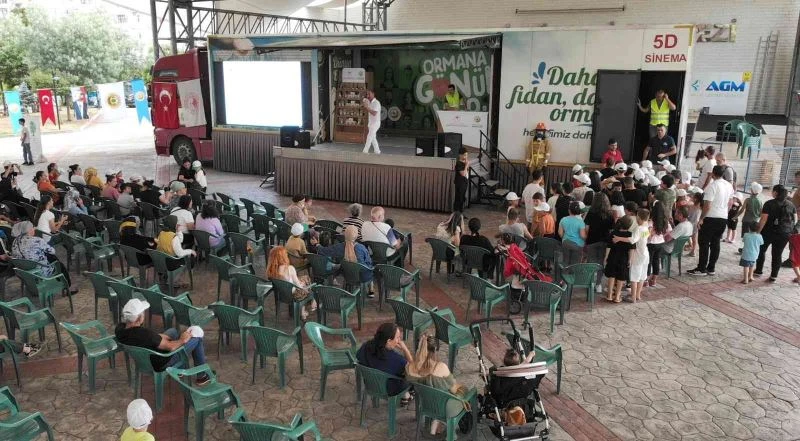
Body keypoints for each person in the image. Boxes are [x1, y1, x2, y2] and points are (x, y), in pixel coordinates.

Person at [115, 298, 211, 386]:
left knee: (172, 332)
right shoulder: (145, 334)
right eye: (143, 313)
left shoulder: (120, 329)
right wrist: (183, 339)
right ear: (139, 318)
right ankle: (202, 376)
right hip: (161, 361)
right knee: (197, 339)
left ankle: (180, 369)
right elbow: (171, 347)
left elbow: (153, 338)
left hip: (145, 357)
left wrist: (162, 338)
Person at [405, 334, 470, 436]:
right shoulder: (440, 367)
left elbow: (412, 369)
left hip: (427, 404)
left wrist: (404, 348)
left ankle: (437, 420)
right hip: (445, 408)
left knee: (441, 391)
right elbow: (453, 389)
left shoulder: (410, 368)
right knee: (464, 390)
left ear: (419, 347)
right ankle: (441, 420)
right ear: (435, 349)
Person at [689, 166, 734, 276]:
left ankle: (701, 268)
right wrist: (724, 213)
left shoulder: (712, 186)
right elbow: (730, 203)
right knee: (716, 243)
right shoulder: (729, 185)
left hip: (711, 218)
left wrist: (701, 219)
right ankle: (711, 268)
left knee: (704, 243)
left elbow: (707, 205)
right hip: (723, 217)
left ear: (713, 173)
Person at [11, 221, 77, 293]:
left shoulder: (15, 242)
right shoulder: (36, 240)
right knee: (58, 263)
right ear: (29, 230)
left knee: (48, 256)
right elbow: (52, 251)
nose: (34, 229)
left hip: (25, 273)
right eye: (32, 227)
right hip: (40, 272)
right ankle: (68, 287)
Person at [755, 185, 798, 282]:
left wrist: (757, 232)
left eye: (773, 191)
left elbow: (763, 220)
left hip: (768, 232)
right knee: (777, 254)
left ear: (775, 192)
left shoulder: (769, 204)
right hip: (784, 234)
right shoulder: (791, 205)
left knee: (761, 250)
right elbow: (795, 220)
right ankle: (773, 276)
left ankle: (758, 270)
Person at [266, 246, 316, 320]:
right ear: (283, 257)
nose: (287, 255)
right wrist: (302, 285)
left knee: (305, 278)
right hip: (294, 294)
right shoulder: (290, 268)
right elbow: (298, 286)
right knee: (308, 286)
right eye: (285, 254)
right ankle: (311, 304)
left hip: (282, 293)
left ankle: (306, 307)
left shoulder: (271, 270)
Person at [155, 218, 196, 286]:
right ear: (173, 225)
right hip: (171, 262)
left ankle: (167, 276)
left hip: (161, 261)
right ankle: (175, 280)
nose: (178, 225)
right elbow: (180, 254)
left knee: (182, 253)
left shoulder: (161, 233)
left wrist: (178, 231)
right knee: (191, 259)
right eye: (176, 224)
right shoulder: (174, 237)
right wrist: (190, 251)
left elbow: (180, 241)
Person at [605, 216, 634, 303]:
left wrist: (606, 257)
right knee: (621, 277)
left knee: (611, 275)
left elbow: (609, 246)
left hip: (613, 256)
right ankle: (617, 297)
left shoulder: (613, 233)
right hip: (623, 258)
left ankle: (609, 295)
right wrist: (630, 260)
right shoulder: (630, 235)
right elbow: (631, 249)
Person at [627, 209, 651, 302]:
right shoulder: (646, 227)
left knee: (634, 277)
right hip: (645, 253)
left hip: (638, 255)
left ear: (638, 217)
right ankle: (638, 295)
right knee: (642, 276)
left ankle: (633, 297)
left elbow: (632, 240)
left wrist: (619, 238)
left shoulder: (638, 228)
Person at [646, 201, 671, 287]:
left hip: (651, 244)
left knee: (649, 262)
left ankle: (646, 280)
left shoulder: (651, 222)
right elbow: (669, 231)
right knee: (656, 261)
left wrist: (650, 234)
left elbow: (647, 235)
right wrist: (662, 235)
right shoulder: (665, 221)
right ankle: (654, 280)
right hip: (660, 243)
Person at [741, 182, 764, 247]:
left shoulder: (747, 200)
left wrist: (735, 216)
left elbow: (742, 210)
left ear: (751, 190)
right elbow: (761, 213)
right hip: (755, 222)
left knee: (745, 236)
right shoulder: (760, 201)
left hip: (746, 220)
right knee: (753, 237)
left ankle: (745, 248)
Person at [362, 89, 382, 154]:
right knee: (373, 137)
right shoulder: (368, 101)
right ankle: (377, 151)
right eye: (367, 94)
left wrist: (367, 107)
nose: (368, 96)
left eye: (369, 94)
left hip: (376, 123)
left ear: (373, 94)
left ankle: (365, 151)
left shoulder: (377, 103)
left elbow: (374, 113)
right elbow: (363, 101)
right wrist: (364, 100)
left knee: (369, 136)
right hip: (370, 123)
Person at [687, 192, 704, 257]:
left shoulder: (692, 206)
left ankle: (693, 250)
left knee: (693, 238)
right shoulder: (700, 207)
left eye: (693, 197)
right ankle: (692, 249)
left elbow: (688, 214)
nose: (692, 198)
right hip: (694, 223)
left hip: (693, 224)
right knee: (694, 238)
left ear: (696, 199)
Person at [453, 148, 469, 212]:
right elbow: (463, 174)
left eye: (467, 155)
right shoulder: (458, 163)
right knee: (459, 198)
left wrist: (466, 165)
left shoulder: (464, 162)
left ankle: (461, 212)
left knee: (462, 197)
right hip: (460, 182)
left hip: (464, 181)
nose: (466, 157)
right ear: (460, 155)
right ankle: (457, 212)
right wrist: (466, 166)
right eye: (464, 155)